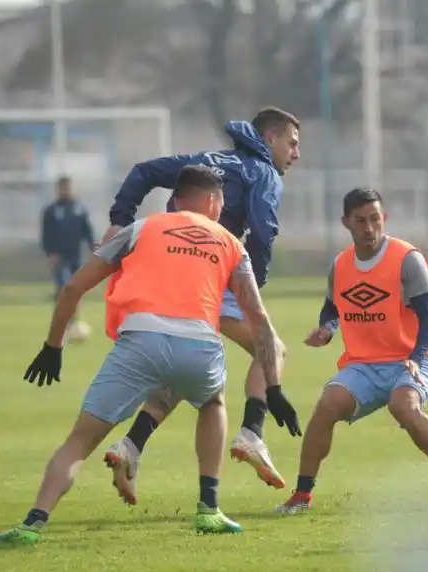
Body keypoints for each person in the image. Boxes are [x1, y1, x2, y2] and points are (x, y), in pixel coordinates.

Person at [0, 165, 300, 546]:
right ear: (210, 201)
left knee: (79, 441)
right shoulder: (231, 243)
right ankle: (209, 508)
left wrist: (53, 347)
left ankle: (32, 523)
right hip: (199, 345)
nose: (222, 208)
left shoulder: (139, 229)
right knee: (212, 403)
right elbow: (261, 321)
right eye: (221, 201)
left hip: (139, 341)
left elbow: (73, 288)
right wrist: (273, 387)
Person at [101, 107, 301, 504]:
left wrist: (121, 219)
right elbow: (262, 232)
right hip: (215, 275)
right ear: (270, 139)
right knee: (272, 349)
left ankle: (130, 447)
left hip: (170, 276)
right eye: (292, 144)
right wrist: (252, 286)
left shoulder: (206, 162)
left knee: (184, 371)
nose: (296, 153)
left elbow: (143, 171)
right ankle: (252, 434)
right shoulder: (262, 173)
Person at [275, 188, 428, 514]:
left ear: (385, 218)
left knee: (404, 405)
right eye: (360, 221)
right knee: (326, 407)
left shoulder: (406, 259)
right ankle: (302, 495)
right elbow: (332, 309)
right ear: (346, 222)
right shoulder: (340, 265)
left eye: (375, 219)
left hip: (413, 359)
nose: (369, 228)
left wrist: (416, 357)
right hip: (364, 365)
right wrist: (327, 330)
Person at [40, 176, 95, 337]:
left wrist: (94, 248)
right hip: (59, 256)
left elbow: (88, 231)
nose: (66, 191)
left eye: (68, 187)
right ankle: (62, 322)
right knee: (64, 288)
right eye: (63, 188)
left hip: (76, 256)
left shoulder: (79, 208)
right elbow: (45, 235)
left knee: (76, 290)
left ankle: (73, 321)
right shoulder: (51, 211)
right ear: (58, 190)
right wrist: (50, 253)